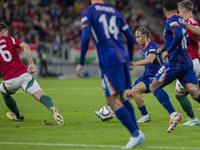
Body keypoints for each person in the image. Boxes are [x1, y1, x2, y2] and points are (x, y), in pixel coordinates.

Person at [76, 0, 144, 148]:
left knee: (111, 101)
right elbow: (130, 37)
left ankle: (135, 134)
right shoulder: (114, 11)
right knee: (122, 98)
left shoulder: (88, 11)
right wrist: (131, 59)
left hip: (109, 60)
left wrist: (81, 62)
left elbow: (86, 37)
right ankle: (138, 133)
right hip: (123, 57)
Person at [150, 0, 200, 133]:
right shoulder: (182, 20)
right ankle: (191, 118)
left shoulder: (171, 20)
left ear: (164, 10)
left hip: (176, 62)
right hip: (187, 60)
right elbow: (181, 38)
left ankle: (174, 114)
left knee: (154, 86)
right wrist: (162, 48)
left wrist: (168, 51)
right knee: (193, 91)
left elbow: (177, 35)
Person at [0, 22, 64, 125]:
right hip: (24, 75)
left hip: (9, 80)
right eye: (6, 32)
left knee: (4, 93)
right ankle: (52, 107)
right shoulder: (11, 40)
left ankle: (19, 116)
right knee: (40, 95)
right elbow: (26, 46)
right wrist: (31, 64)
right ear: (3, 31)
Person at [125, 26, 163, 123]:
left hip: (155, 78)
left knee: (135, 90)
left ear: (145, 36)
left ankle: (145, 115)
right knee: (127, 93)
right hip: (146, 76)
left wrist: (134, 63)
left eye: (138, 37)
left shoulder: (152, 46)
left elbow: (150, 60)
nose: (136, 39)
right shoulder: (144, 47)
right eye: (136, 37)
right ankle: (109, 111)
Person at [171, 0, 200, 126]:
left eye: (179, 11)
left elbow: (198, 31)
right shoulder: (187, 23)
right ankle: (193, 119)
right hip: (190, 61)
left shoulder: (191, 22)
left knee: (183, 93)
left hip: (189, 63)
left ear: (183, 11)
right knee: (189, 91)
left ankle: (193, 119)